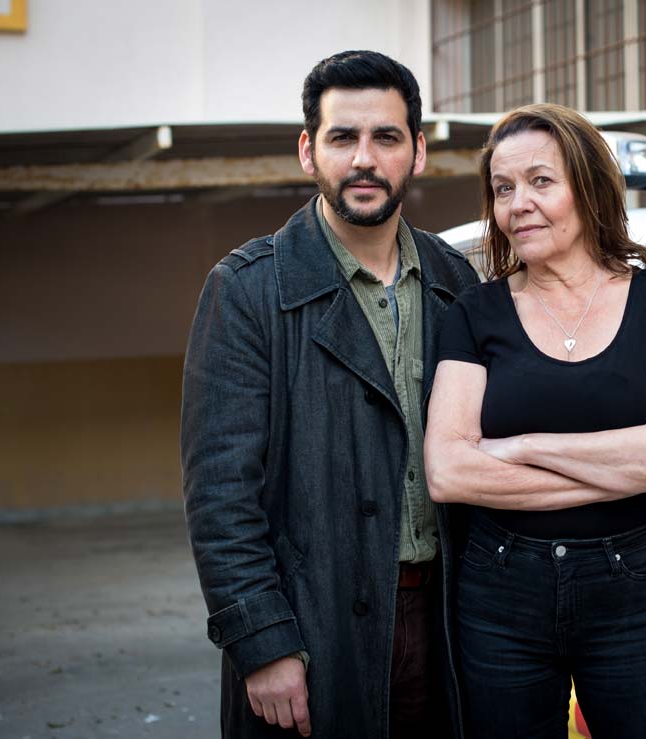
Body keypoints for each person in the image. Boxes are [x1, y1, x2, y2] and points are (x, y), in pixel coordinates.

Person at [181, 50, 477, 738]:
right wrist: (263, 641)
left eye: (387, 137)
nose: (364, 158)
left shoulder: (456, 281)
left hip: (449, 626)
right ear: (309, 151)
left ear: (419, 151)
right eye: (344, 137)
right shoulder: (248, 289)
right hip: (313, 630)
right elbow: (220, 492)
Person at [424, 103, 646, 738]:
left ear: (587, 186)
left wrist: (519, 445)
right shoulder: (475, 314)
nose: (517, 203)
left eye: (540, 181)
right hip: (503, 588)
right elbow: (447, 471)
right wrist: (628, 463)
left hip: (635, 585)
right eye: (503, 189)